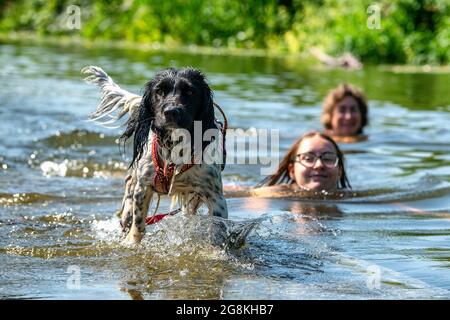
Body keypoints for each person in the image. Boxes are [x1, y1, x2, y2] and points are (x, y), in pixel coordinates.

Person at [224, 131, 351, 198]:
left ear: (339, 171)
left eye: (328, 158)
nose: (319, 165)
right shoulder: (273, 195)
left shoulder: (350, 198)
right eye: (308, 158)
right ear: (292, 171)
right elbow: (247, 194)